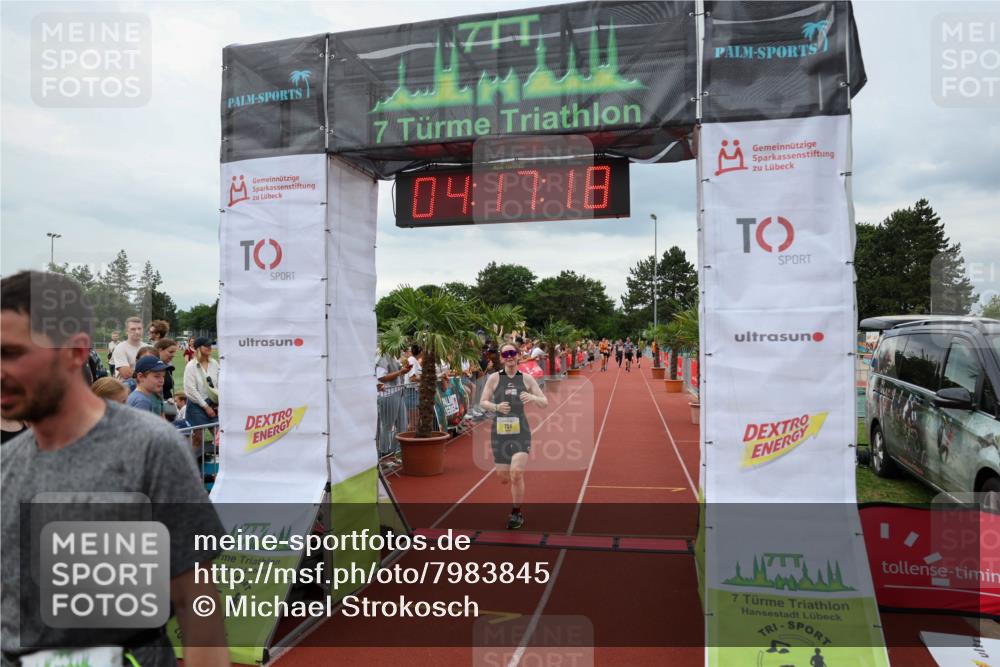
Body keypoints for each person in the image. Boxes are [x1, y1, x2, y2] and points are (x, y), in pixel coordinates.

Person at [0, 270, 230, 667]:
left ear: (75, 352)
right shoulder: (6, 465)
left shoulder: (150, 448)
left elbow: (197, 606)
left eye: (13, 353)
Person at [479, 342, 548, 530]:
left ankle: (516, 513)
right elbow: (483, 402)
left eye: (512, 353)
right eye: (505, 354)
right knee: (503, 477)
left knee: (516, 474)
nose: (509, 356)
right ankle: (509, 471)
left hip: (521, 431)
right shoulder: (494, 378)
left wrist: (532, 397)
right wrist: (496, 407)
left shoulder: (526, 379)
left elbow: (544, 402)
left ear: (518, 355)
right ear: (501, 358)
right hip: (499, 432)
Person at [183, 337, 220, 427]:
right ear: (198, 348)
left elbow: (219, 384)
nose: (210, 347)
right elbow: (190, 390)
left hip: (213, 403)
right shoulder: (190, 366)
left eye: (210, 345)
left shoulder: (214, 363)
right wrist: (205, 407)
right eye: (206, 345)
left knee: (217, 432)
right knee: (198, 434)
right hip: (196, 405)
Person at [110, 316, 147, 381]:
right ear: (126, 331)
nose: (137, 332)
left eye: (139, 328)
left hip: (145, 386)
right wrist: (148, 376)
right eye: (133, 329)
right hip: (126, 387)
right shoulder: (120, 348)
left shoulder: (149, 347)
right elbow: (126, 374)